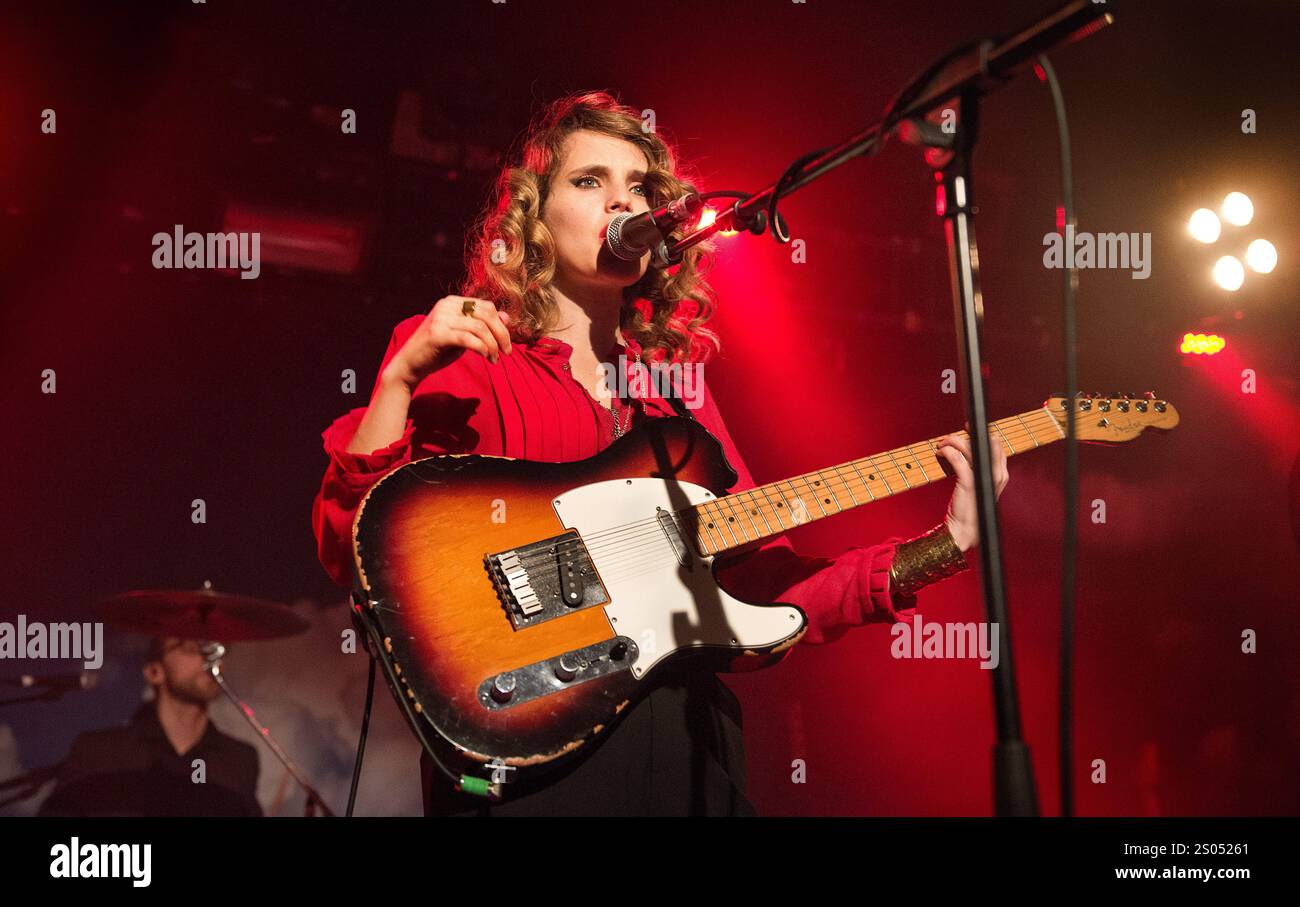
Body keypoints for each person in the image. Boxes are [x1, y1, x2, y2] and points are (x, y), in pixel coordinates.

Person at [311, 90, 1008, 816]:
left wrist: (945, 545)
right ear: (531, 215)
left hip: (683, 750)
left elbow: (762, 579)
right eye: (590, 182)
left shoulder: (676, 399)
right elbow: (353, 546)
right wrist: (397, 381)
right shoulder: (465, 355)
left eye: (639, 188)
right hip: (528, 753)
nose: (623, 204)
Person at [38, 636, 262, 817]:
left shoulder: (240, 760)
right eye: (190, 647)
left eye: (215, 649)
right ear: (154, 671)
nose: (208, 658)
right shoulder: (98, 751)